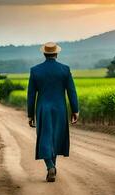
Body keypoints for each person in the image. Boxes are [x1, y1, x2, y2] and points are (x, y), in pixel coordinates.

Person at [27, 42, 79, 182]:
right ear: (56, 54)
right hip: (60, 108)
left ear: (44, 54)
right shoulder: (65, 70)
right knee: (55, 138)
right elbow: (71, 91)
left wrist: (30, 115)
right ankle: (52, 167)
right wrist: (75, 110)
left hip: (43, 109)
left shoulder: (35, 70)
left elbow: (31, 95)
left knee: (45, 137)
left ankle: (50, 166)